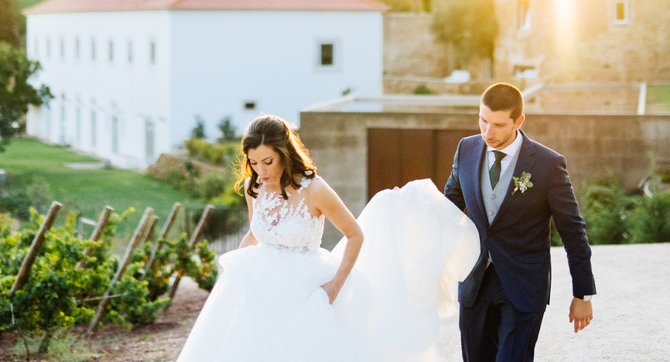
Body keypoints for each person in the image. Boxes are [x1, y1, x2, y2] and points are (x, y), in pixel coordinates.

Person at [176, 114, 480, 362]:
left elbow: (355, 235)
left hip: (304, 289)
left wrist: (335, 286)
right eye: (253, 163)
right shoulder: (253, 187)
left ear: (284, 152)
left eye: (267, 162)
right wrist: (236, 272)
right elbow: (255, 233)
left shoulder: (315, 189)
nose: (260, 170)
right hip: (260, 287)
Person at [444, 83, 596, 362]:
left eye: (499, 125)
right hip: (474, 281)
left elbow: (572, 230)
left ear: (519, 121)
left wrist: (582, 294)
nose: (488, 132)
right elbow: (447, 207)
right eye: (483, 120)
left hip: (523, 285)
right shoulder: (466, 149)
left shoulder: (548, 165)